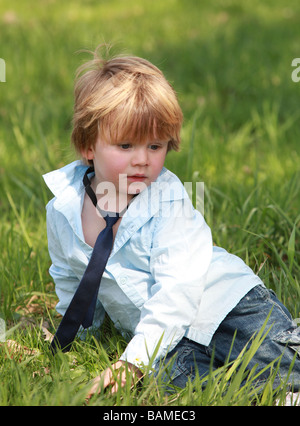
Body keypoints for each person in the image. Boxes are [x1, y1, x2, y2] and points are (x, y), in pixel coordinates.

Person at [43, 45, 300, 398]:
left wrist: (131, 362)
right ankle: (267, 392)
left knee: (272, 353)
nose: (141, 160)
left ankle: (287, 377)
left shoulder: (167, 199)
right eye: (126, 145)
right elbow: (71, 278)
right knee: (173, 382)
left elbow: (177, 290)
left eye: (155, 146)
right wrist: (74, 335)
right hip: (166, 334)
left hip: (227, 304)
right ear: (89, 145)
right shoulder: (62, 209)